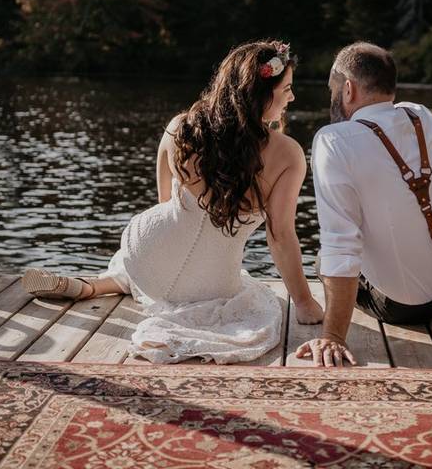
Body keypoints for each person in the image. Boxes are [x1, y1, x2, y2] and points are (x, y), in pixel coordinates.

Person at [22, 41, 324, 364]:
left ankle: (92, 286)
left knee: (147, 259)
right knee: (247, 294)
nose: (292, 97)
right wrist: (304, 303)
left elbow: (164, 203)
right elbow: (280, 236)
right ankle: (104, 285)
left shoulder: (181, 126)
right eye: (287, 89)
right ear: (262, 93)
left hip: (148, 250)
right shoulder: (288, 154)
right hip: (212, 286)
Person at [296, 42, 432, 367]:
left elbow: (341, 247)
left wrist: (333, 336)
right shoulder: (422, 116)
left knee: (322, 260)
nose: (331, 99)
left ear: (348, 89)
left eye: (333, 90)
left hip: (408, 307)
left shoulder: (332, 141)